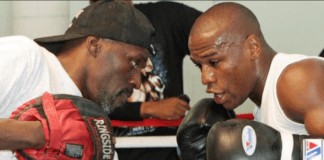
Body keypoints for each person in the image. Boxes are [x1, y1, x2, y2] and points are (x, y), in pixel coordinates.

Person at [0, 1, 155, 160]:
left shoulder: (95, 137)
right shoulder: (27, 59)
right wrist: (39, 134)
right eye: (135, 62)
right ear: (95, 45)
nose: (137, 82)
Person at [89, 0, 202, 159]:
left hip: (167, 149)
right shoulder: (88, 31)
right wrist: (148, 108)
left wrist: (215, 75)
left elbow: (216, 35)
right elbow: (86, 101)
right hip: (115, 151)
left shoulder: (166, 16)